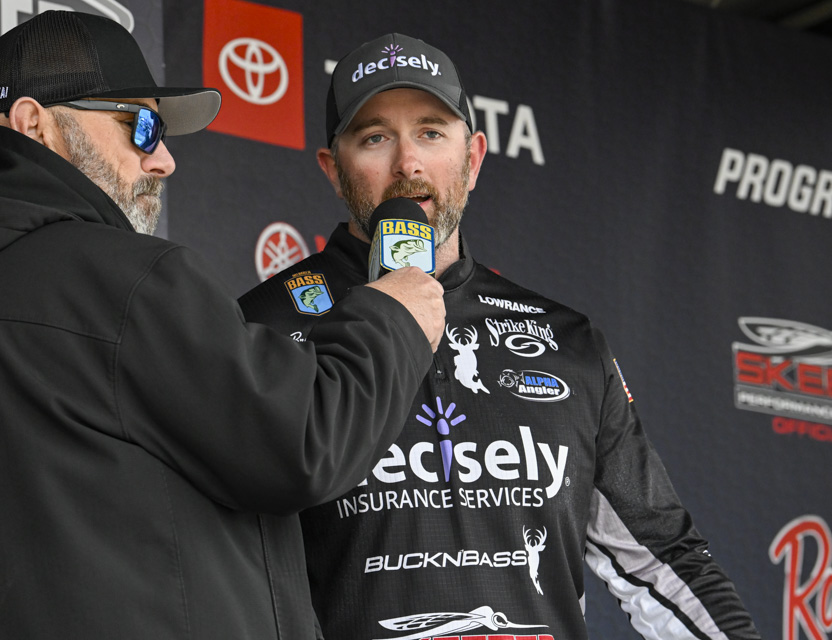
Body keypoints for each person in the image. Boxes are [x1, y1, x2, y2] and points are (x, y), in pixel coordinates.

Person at [0, 14, 447, 640]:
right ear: (35, 124)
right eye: (141, 127)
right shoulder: (113, 278)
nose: (164, 160)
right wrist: (395, 317)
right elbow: (305, 438)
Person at [238, 33, 761, 640]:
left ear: (474, 158)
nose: (408, 163)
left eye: (431, 132)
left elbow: (661, 557)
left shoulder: (568, 343)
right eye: (375, 137)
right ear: (334, 169)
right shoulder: (260, 328)